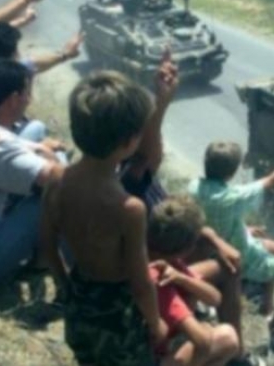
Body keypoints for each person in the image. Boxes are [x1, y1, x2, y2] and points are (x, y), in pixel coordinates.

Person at [121, 52, 253, 365]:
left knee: (226, 266)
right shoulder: (131, 188)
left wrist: (216, 241)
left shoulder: (143, 182)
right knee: (221, 329)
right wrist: (162, 102)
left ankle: (236, 355)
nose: (159, 149)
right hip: (158, 274)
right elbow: (150, 148)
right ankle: (233, 353)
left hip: (166, 263)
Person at [41, 71, 167, 366]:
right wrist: (156, 322)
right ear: (130, 141)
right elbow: (140, 283)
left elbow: (46, 245)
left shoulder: (56, 180)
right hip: (118, 315)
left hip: (80, 298)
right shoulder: (129, 209)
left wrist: (65, 287)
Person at [189, 141, 274, 351]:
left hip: (212, 249)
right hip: (241, 257)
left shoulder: (194, 187)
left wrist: (244, 228)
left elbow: (210, 221)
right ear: (232, 172)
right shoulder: (233, 197)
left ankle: (267, 307)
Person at [0, 57, 68, 290]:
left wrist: (40, 148)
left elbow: (12, 147)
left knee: (36, 131)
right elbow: (59, 180)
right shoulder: (1, 145)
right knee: (49, 196)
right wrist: (56, 159)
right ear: (14, 99)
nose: (29, 100)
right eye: (27, 93)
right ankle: (44, 260)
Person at [0, 22, 83, 142]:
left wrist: (65, 54)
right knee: (38, 129)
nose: (19, 56)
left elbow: (33, 64)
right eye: (15, 53)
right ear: (0, 61)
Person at [147, 196, 239, 366]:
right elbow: (202, 342)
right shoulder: (158, 278)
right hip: (150, 358)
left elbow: (215, 298)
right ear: (188, 248)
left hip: (148, 347)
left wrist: (182, 279)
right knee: (228, 337)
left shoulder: (159, 260)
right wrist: (204, 328)